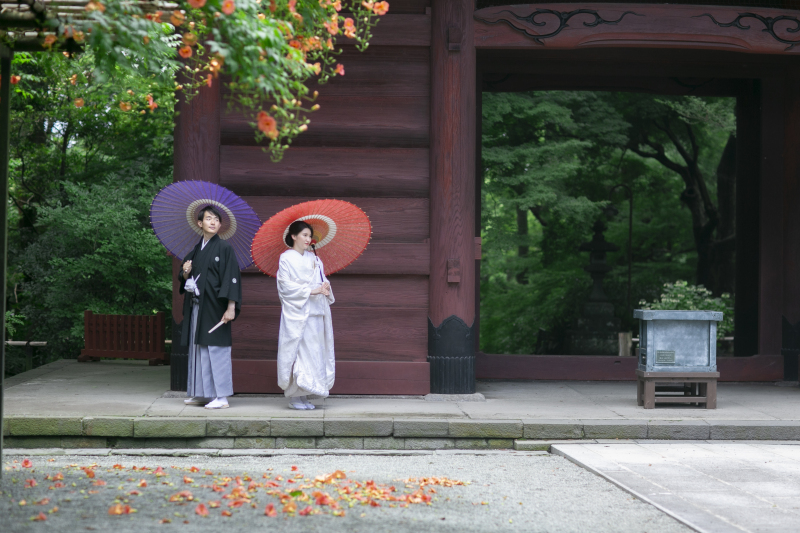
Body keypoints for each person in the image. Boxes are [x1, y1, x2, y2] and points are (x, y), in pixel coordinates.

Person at [178, 205, 242, 410]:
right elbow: (184, 276)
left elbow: (232, 278)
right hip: (198, 306)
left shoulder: (224, 248)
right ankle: (203, 393)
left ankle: (221, 396)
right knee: (199, 349)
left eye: (216, 219)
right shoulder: (196, 250)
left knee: (217, 349)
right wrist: (186, 272)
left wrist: (231, 307)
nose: (213, 222)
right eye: (208, 218)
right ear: (200, 223)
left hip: (216, 307)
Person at [276, 221, 335, 410]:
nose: (308, 239)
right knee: (299, 353)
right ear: (293, 236)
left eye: (310, 236)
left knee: (314, 353)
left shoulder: (315, 259)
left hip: (316, 312)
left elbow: (321, 280)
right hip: (298, 312)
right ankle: (294, 397)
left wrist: (325, 286)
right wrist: (311, 291)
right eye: (304, 235)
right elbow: (285, 286)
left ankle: (305, 395)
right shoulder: (286, 258)